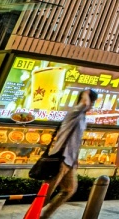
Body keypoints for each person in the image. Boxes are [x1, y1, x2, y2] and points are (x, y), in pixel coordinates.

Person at [43, 89, 95, 218]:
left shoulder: (82, 118)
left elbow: (76, 140)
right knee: (44, 196)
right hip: (60, 159)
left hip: (70, 161)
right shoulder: (74, 112)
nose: (91, 106)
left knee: (69, 189)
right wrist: (86, 93)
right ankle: (32, 216)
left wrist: (76, 160)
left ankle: (44, 216)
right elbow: (84, 103)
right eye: (92, 103)